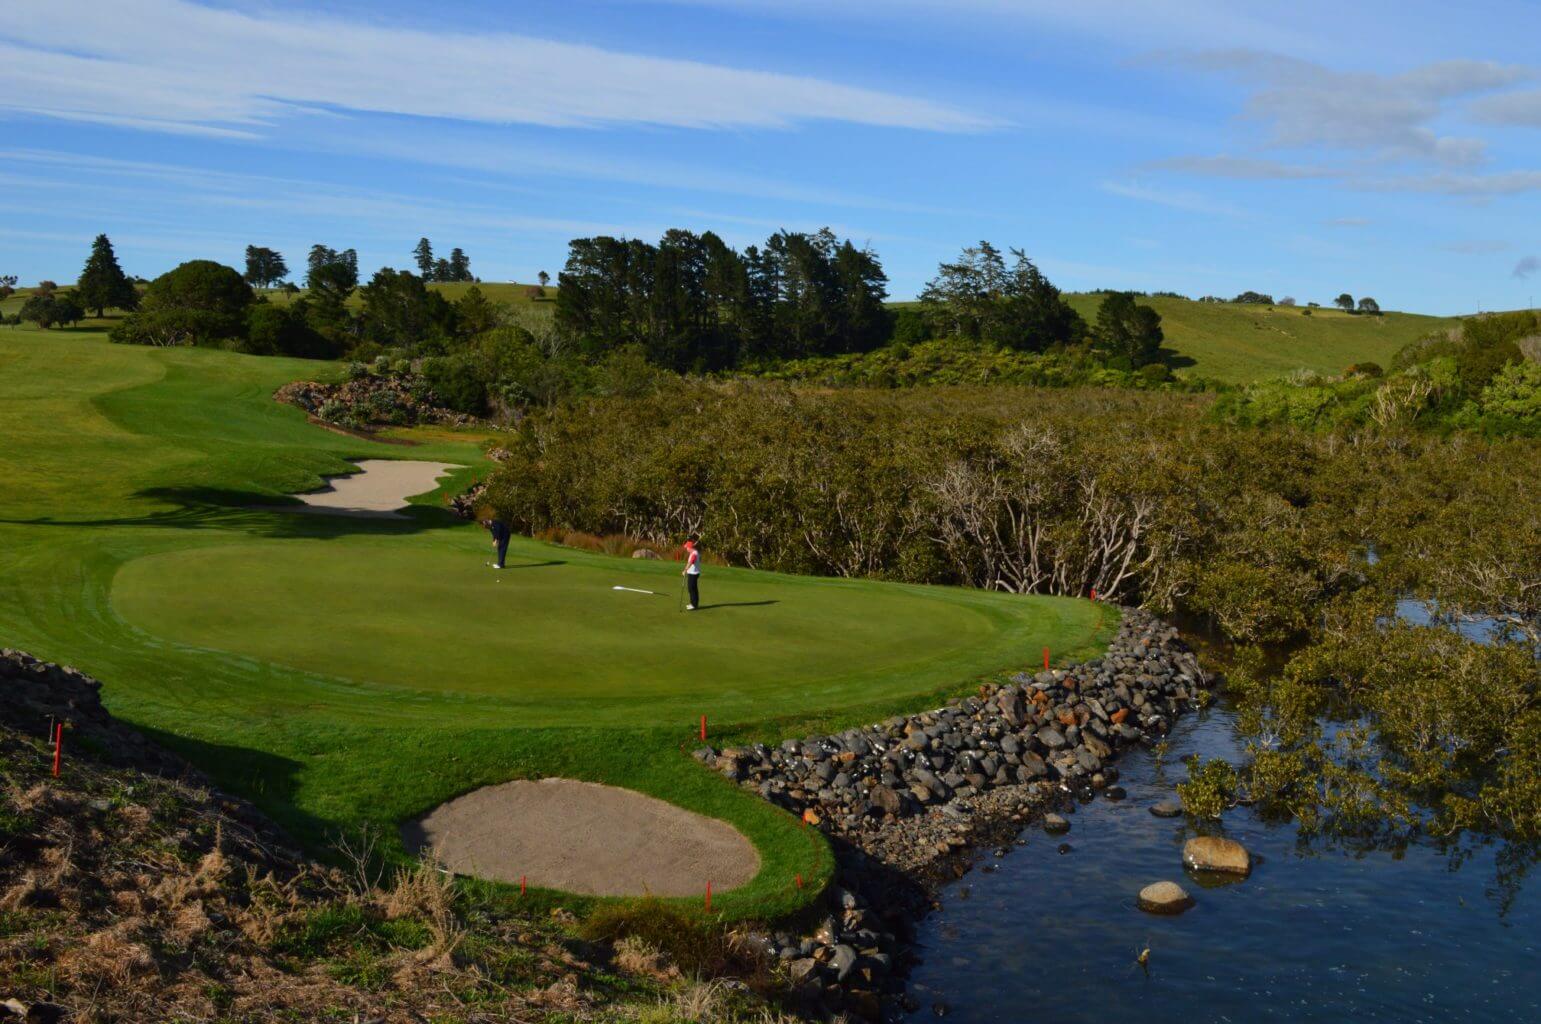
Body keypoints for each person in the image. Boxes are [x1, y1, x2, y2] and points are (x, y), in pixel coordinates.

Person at [681, 533, 702, 610]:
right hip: (693, 573)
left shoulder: (694, 553)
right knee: (693, 589)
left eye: (687, 547)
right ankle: (694, 604)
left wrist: (685, 570)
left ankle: (693, 604)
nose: (686, 549)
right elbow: (689, 562)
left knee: (691, 588)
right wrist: (686, 569)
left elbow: (691, 562)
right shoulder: (694, 552)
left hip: (693, 573)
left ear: (690, 547)